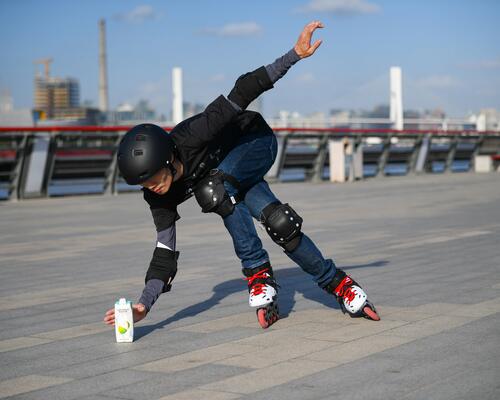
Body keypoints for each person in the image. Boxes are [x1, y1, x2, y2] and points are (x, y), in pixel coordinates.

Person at [104, 21, 379, 330]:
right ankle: (338, 284)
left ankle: (258, 272)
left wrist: (295, 54)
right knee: (279, 222)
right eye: (144, 184)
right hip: (228, 177)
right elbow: (164, 251)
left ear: (168, 159)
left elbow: (244, 90)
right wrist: (143, 304)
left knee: (214, 188)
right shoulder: (158, 196)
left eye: (153, 179)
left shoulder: (195, 135)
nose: (152, 188)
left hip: (256, 142)